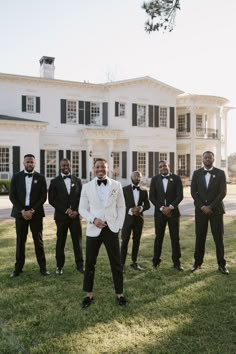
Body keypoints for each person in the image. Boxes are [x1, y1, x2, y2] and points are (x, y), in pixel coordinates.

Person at [79, 158, 127, 308]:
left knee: (116, 263)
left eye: (103, 167)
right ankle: (89, 295)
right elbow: (82, 209)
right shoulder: (86, 187)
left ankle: (120, 294)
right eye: (98, 167)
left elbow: (121, 207)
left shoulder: (116, 185)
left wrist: (118, 225)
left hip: (111, 229)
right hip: (94, 229)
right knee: (90, 263)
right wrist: (93, 220)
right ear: (94, 169)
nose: (100, 169)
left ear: (108, 168)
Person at [9, 154, 49, 277]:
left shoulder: (41, 178)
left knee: (39, 241)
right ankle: (18, 269)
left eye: (31, 162)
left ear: (34, 163)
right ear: (23, 163)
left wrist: (32, 210)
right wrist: (22, 210)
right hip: (20, 213)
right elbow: (12, 196)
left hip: (35, 213)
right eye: (27, 162)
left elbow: (43, 197)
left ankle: (43, 268)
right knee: (20, 241)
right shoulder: (16, 177)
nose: (29, 164)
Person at [191, 151, 229, 274]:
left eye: (209, 157)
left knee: (218, 239)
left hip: (216, 211)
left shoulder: (220, 173)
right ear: (202, 159)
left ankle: (222, 265)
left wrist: (210, 206)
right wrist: (202, 206)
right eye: (205, 157)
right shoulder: (196, 174)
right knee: (200, 238)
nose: (207, 159)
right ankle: (197, 263)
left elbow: (222, 192)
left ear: (213, 159)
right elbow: (193, 192)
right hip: (200, 211)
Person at [48, 158, 84, 275]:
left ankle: (80, 265)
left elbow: (82, 198)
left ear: (71, 165)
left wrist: (77, 211)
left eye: (67, 165)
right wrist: (66, 210)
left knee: (77, 242)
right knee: (60, 242)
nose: (65, 167)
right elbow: (52, 200)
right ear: (60, 167)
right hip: (61, 217)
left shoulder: (78, 181)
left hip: (75, 217)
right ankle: (59, 266)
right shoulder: (54, 181)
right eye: (63, 165)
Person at [149, 160, 184, 271]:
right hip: (159, 213)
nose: (163, 168)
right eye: (160, 167)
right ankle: (156, 262)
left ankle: (177, 263)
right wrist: (162, 208)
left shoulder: (176, 178)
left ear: (168, 166)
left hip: (173, 213)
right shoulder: (155, 179)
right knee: (158, 238)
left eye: (164, 166)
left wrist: (170, 207)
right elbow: (152, 197)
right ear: (158, 169)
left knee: (175, 238)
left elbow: (180, 196)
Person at [120, 171, 150, 271]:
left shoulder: (144, 191)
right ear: (130, 177)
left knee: (136, 241)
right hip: (127, 220)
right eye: (135, 176)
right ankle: (121, 264)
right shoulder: (124, 189)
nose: (137, 178)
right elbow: (120, 205)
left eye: (139, 177)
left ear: (141, 178)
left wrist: (140, 208)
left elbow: (147, 205)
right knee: (125, 241)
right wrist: (130, 210)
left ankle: (134, 262)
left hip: (139, 220)